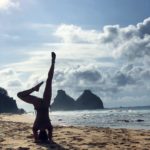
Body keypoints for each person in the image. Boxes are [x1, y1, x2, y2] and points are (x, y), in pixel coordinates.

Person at [17, 52, 56, 143]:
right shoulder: (35, 128)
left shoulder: (49, 127)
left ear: (45, 133)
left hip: (45, 104)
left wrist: (48, 139)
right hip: (38, 105)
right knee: (19, 95)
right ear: (39, 134)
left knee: (49, 80)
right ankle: (34, 88)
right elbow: (36, 140)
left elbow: (50, 139)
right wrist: (37, 139)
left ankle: (53, 62)